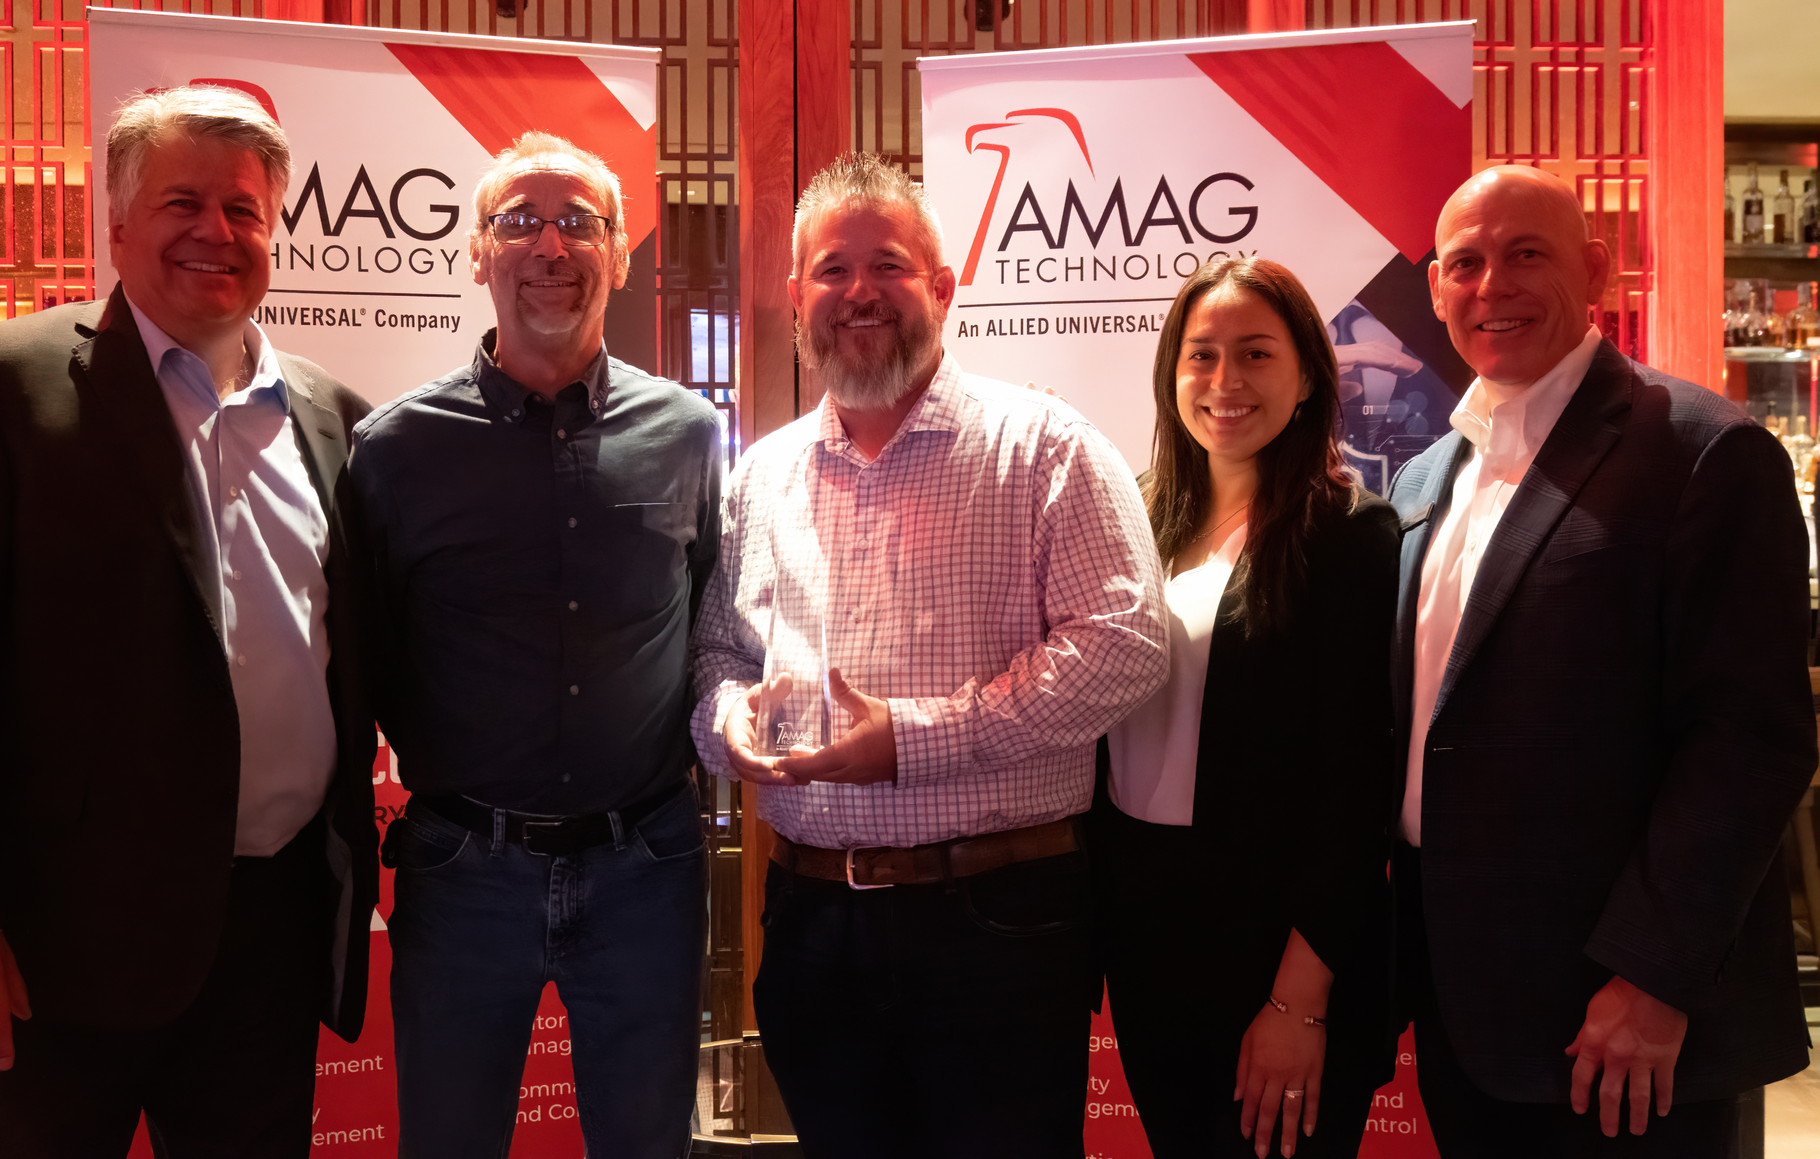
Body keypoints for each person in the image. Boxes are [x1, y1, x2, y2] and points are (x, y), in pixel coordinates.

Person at [0, 84, 377, 1156]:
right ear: (116, 223)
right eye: (182, 202)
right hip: (48, 949)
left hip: (268, 938)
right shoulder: (2, 383)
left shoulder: (335, 416)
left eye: (245, 210)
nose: (216, 231)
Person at [689, 152, 1168, 1158]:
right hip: (814, 914)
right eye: (831, 270)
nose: (858, 292)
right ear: (795, 297)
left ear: (944, 287)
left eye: (888, 266)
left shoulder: (1046, 446)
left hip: (997, 918)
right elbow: (719, 654)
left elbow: (1125, 646)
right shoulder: (764, 474)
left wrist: (911, 740)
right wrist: (725, 722)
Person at [1390, 164, 1816, 1156]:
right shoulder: (1427, 474)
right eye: (1465, 262)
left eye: (1525, 254)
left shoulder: (1703, 449)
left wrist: (1653, 974)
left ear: (1595, 269)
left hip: (1619, 1020)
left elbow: (1749, 739)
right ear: (1436, 288)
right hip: (1467, 1009)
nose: (1492, 285)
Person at [346, 129, 721, 1158]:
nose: (550, 246)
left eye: (578, 223)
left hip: (645, 861)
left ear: (621, 252)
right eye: (519, 221)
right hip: (463, 866)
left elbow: (710, 621)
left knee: (648, 1144)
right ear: (475, 252)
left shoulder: (689, 432)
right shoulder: (394, 449)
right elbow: (364, 654)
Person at [1091, 258, 1399, 1159]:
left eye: (1256, 354)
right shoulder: (1141, 520)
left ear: (1307, 374)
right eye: (1202, 357)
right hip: (1151, 935)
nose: (1225, 383)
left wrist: (1297, 1001)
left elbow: (1355, 787)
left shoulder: (1347, 532)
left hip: (1277, 943)